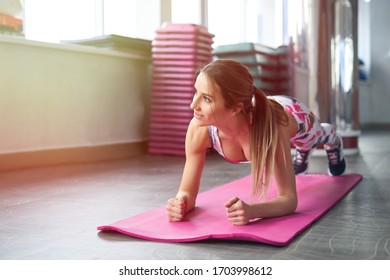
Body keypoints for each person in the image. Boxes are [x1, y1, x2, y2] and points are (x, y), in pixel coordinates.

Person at [166, 59, 346, 226]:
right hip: (260, 113)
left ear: (235, 108)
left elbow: (289, 199)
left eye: (206, 98)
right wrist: (180, 202)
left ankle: (332, 140)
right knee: (300, 148)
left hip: (292, 113)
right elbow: (187, 191)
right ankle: (303, 152)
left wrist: (253, 211)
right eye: (196, 92)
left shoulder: (272, 128)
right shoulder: (198, 129)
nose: (193, 105)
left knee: (313, 139)